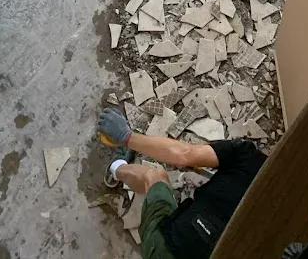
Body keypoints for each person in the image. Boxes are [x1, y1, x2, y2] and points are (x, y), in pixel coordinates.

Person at [98, 107, 266, 258]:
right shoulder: (285, 225)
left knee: (156, 176)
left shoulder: (250, 158)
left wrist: (126, 137)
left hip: (167, 247)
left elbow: (184, 154)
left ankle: (116, 168)